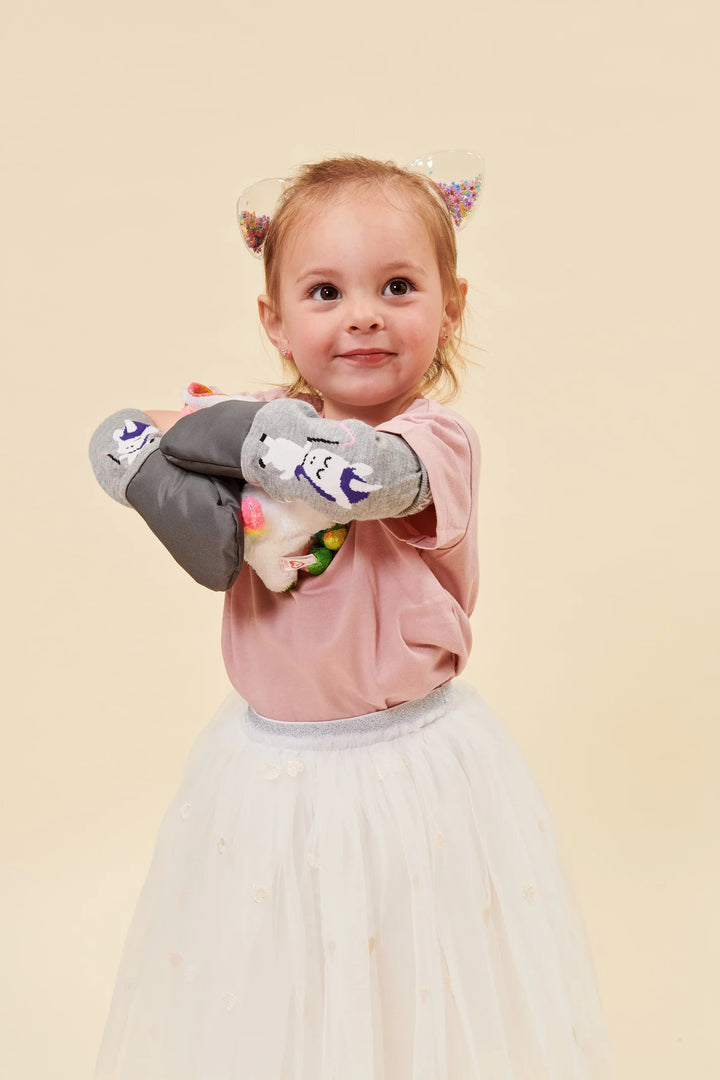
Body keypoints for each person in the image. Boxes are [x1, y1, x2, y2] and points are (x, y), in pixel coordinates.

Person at [90, 155, 614, 1078]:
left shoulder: (432, 441)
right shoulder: (263, 430)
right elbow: (139, 432)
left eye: (398, 286)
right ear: (277, 322)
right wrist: (154, 455)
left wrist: (222, 435)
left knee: (412, 973)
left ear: (450, 308)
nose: (364, 314)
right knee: (278, 976)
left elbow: (363, 476)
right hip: (269, 769)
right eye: (326, 291)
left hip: (407, 765)